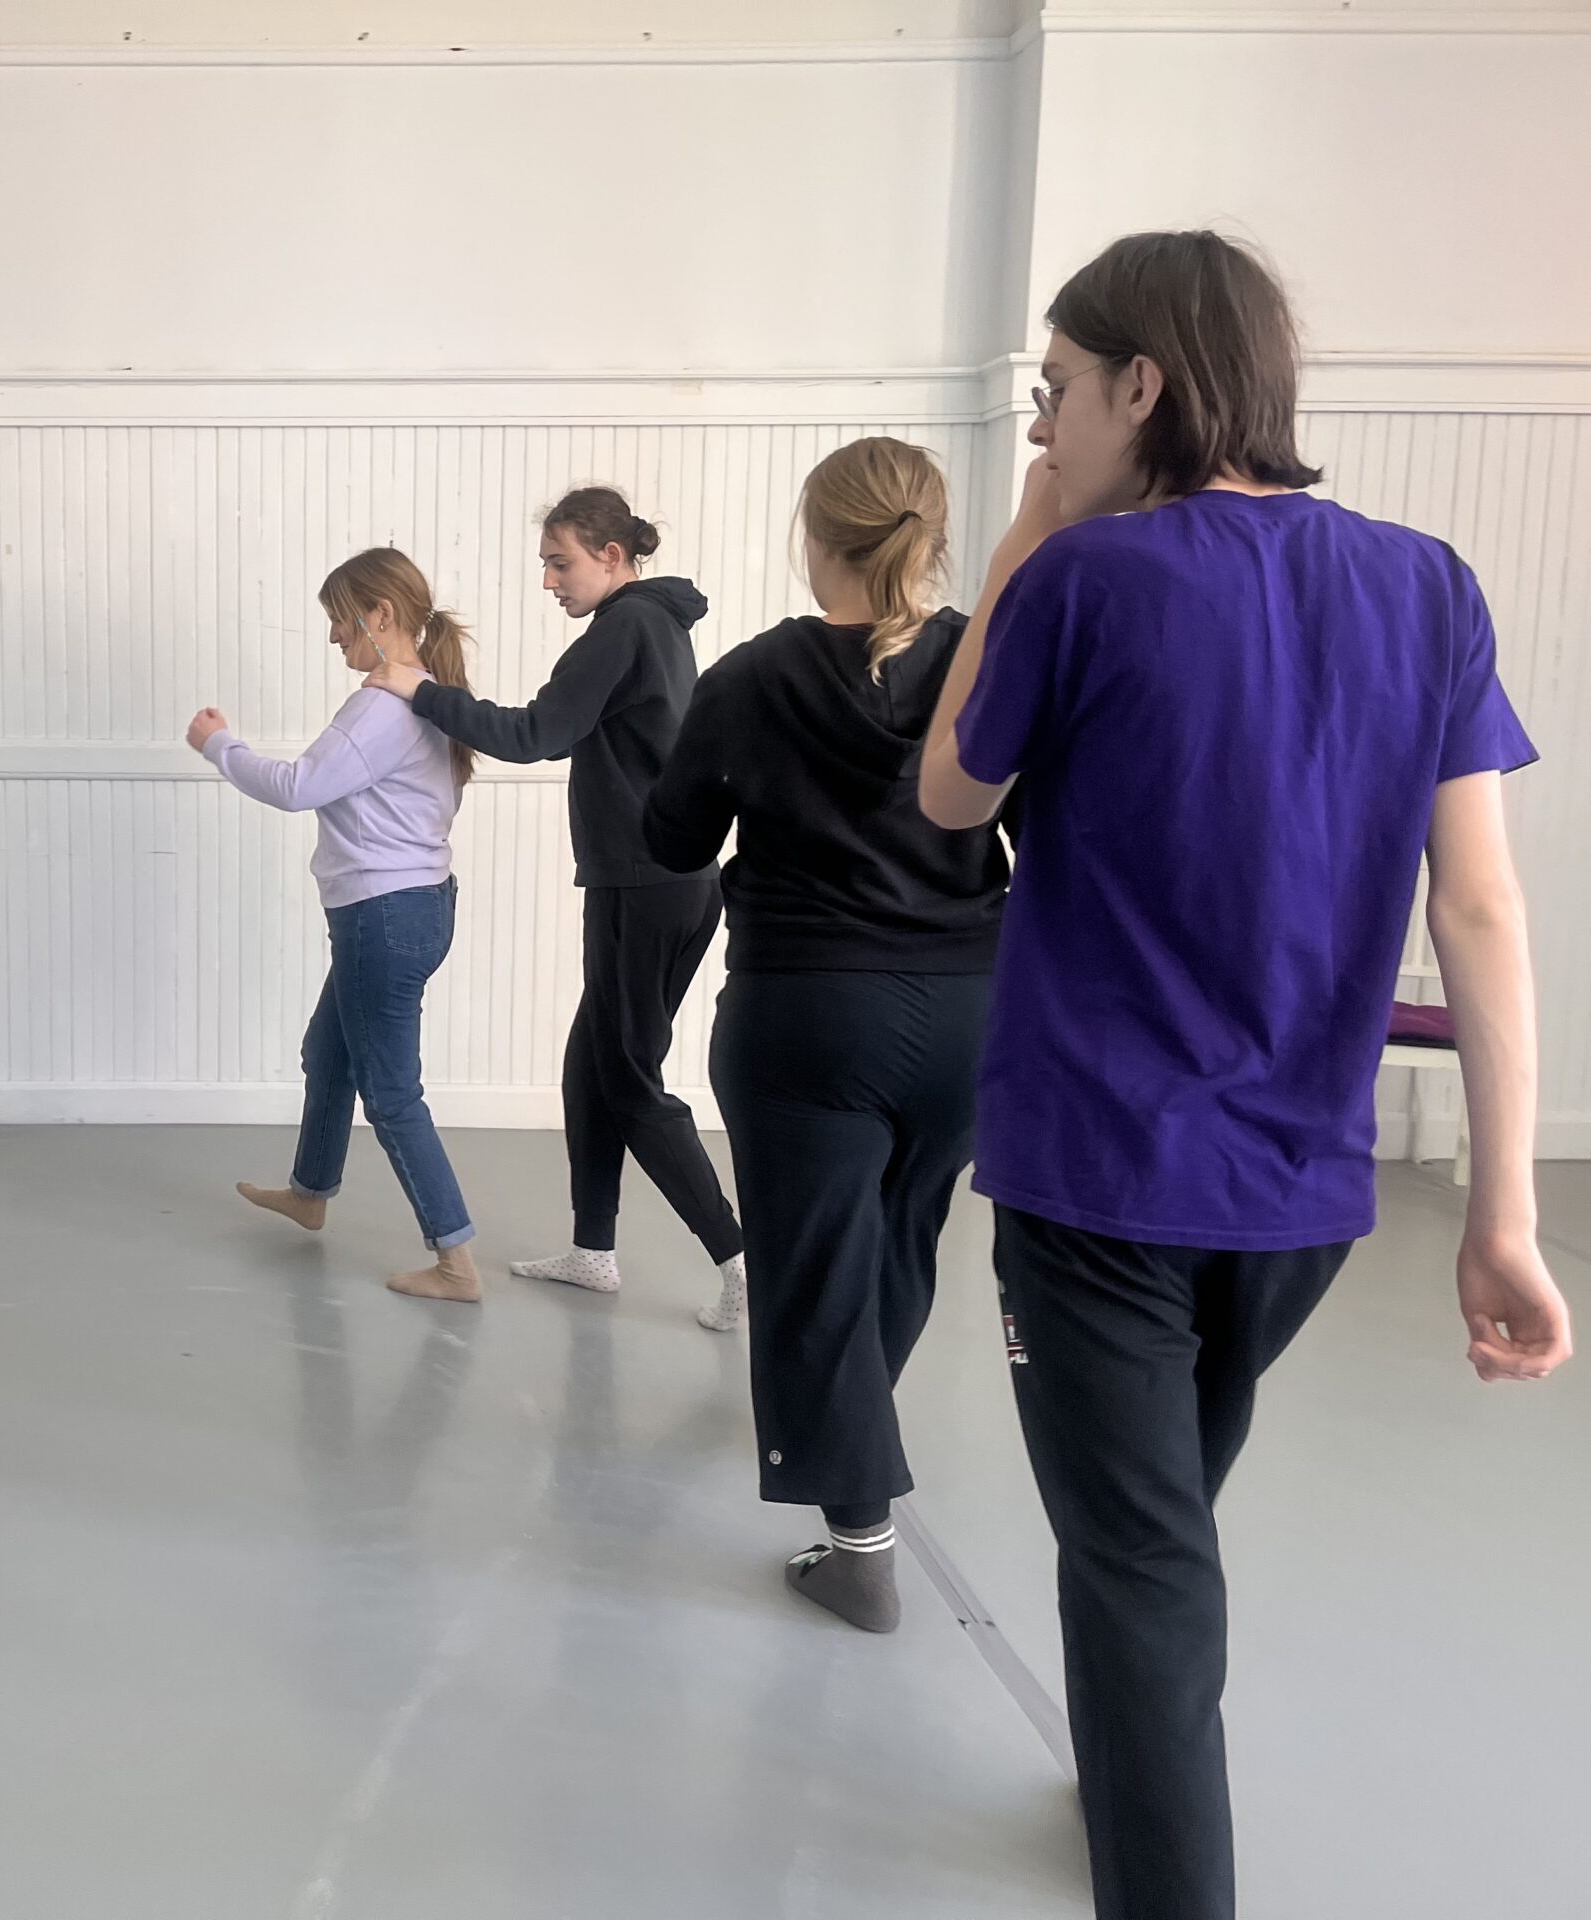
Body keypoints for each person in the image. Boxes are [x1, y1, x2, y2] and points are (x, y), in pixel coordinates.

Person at [918, 231, 1572, 1920]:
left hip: (1096, 1186)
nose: (1046, 431)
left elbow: (946, 794)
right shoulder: (1427, 583)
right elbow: (1484, 903)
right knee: (1154, 1530)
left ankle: (1159, 1843)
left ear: (1144, 382)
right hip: (1298, 1204)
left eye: (1055, 397)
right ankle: (1131, 1765)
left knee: (1139, 1564)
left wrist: (1023, 530)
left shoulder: (1082, 578)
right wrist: (1503, 1212)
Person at [642, 436, 1007, 1633]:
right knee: (899, 1248)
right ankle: (857, 1459)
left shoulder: (753, 677)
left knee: (813, 1275)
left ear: (816, 540)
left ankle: (858, 1546)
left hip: (809, 1014)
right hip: (966, 1010)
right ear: (931, 536)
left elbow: (675, 840)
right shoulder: (985, 667)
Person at [366, 488, 747, 1328]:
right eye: (547, 561)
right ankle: (593, 1250)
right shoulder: (656, 624)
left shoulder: (624, 627)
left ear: (612, 557)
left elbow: (536, 732)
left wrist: (418, 690)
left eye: (561, 560)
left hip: (643, 885)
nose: (548, 579)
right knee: (592, 1066)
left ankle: (739, 1258)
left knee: (630, 1080)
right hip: (669, 881)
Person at [188, 548, 484, 1303]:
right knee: (329, 1053)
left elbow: (299, 787)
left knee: (389, 1093)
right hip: (409, 908)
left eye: (338, 621)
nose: (332, 639)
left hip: (383, 917)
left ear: (379, 616)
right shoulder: (427, 695)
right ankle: (310, 1192)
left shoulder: (382, 707)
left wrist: (220, 745)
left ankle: (455, 1262)